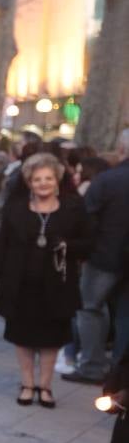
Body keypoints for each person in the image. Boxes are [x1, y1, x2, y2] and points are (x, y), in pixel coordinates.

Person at [0, 153, 92, 408]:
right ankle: (27, 383)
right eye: (37, 179)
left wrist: (67, 245)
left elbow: (89, 244)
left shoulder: (73, 209)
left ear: (57, 180)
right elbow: (2, 246)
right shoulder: (16, 208)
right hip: (20, 284)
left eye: (48, 178)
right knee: (22, 336)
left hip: (56, 284)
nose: (43, 183)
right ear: (29, 182)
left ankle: (45, 386)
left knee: (50, 338)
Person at [64, 130, 129, 384]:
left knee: (90, 309)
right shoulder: (108, 180)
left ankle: (92, 366)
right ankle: (118, 371)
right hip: (110, 255)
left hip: (104, 257)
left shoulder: (107, 181)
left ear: (121, 150)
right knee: (123, 316)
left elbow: (86, 218)